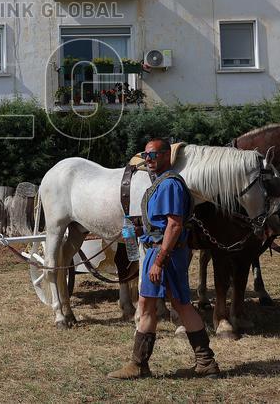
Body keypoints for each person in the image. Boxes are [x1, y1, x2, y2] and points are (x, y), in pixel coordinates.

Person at [110, 138, 220, 379]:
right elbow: (164, 224)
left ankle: (140, 365)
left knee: (159, 305)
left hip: (163, 253)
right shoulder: (162, 183)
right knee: (169, 304)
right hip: (161, 249)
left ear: (166, 156)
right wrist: (142, 230)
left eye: (153, 155)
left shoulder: (169, 184)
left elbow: (174, 224)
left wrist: (159, 260)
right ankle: (205, 362)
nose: (148, 160)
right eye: (145, 155)